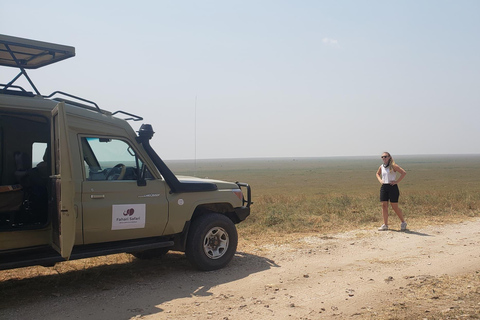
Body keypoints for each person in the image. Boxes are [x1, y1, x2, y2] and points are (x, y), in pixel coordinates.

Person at [376, 152, 407, 231]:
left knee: (394, 206)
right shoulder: (381, 166)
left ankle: (403, 222)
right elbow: (377, 174)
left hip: (392, 187)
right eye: (382, 157)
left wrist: (396, 181)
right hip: (384, 187)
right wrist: (380, 181)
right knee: (384, 205)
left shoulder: (393, 166)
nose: (384, 158)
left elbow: (403, 173)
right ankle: (385, 225)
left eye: (385, 156)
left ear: (389, 157)